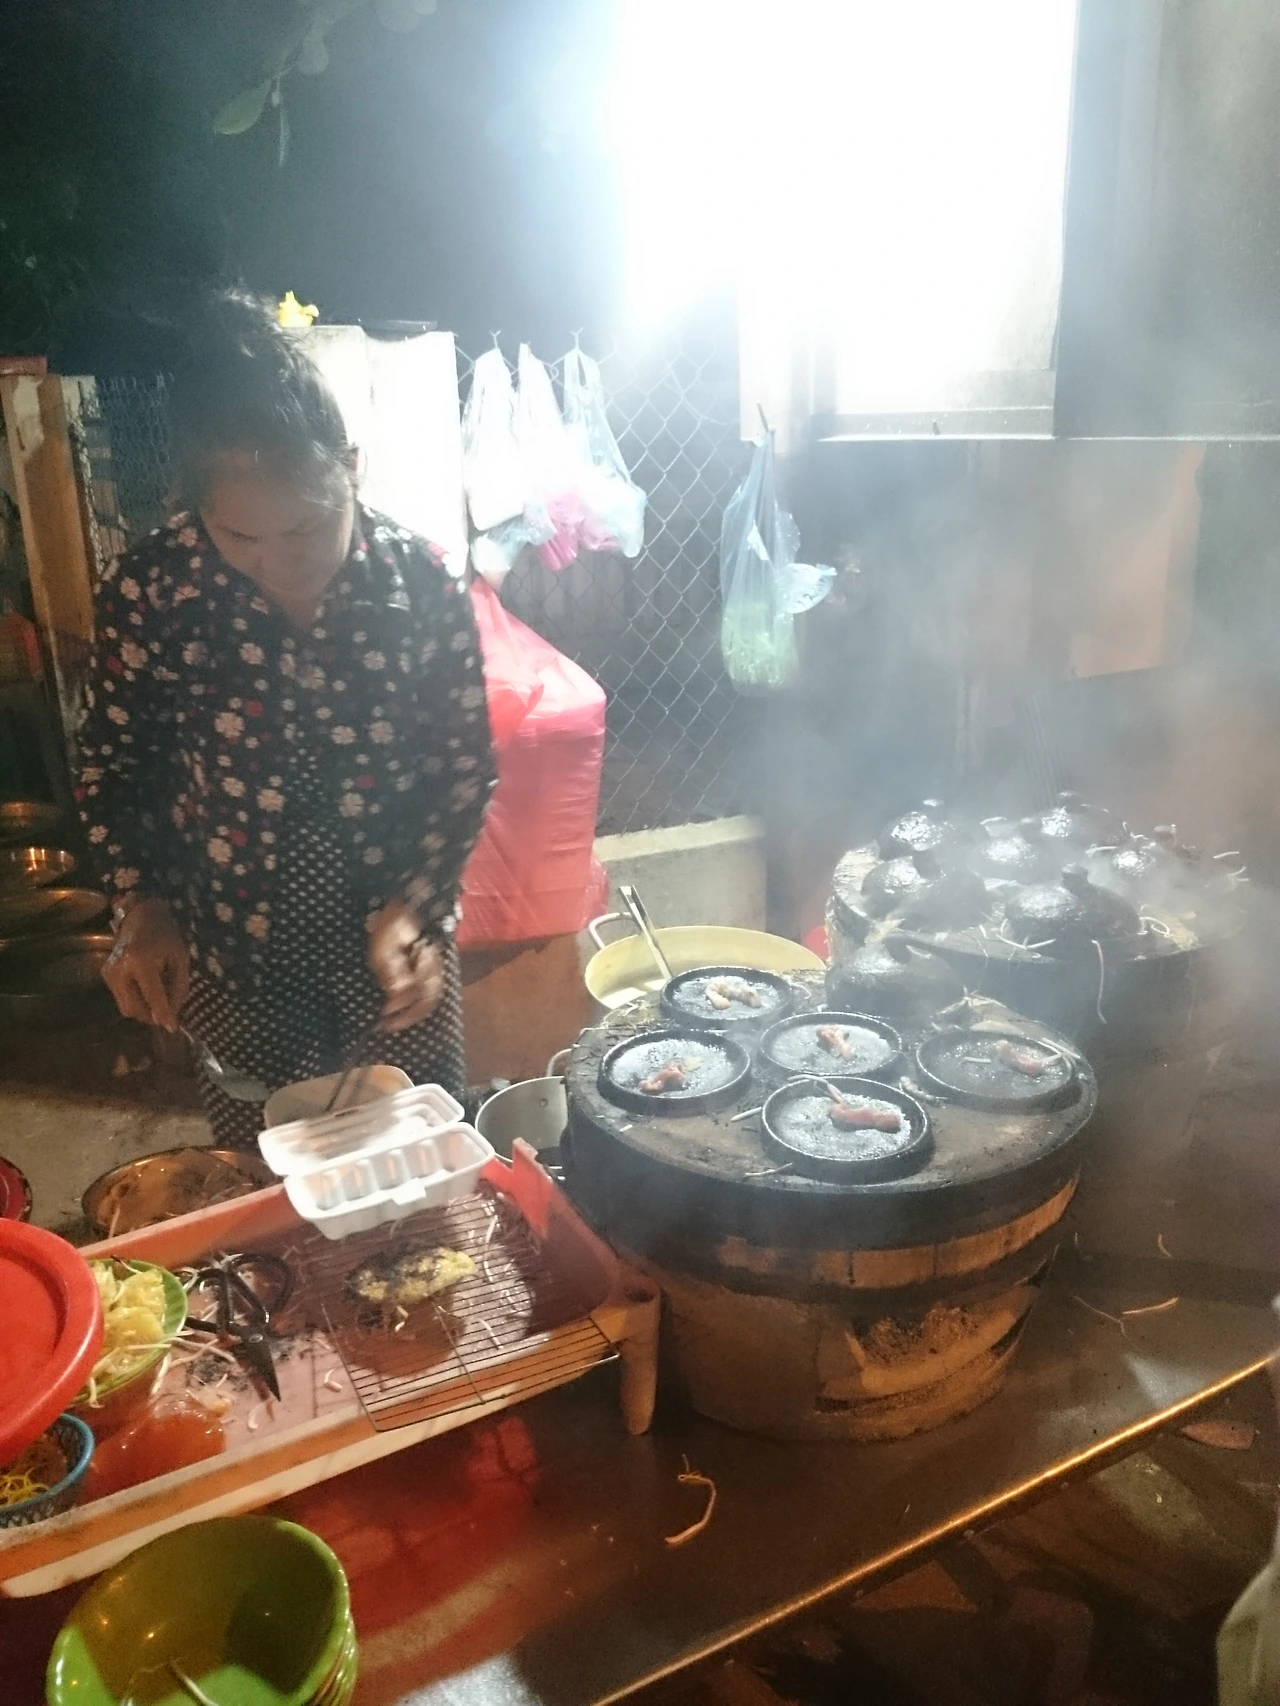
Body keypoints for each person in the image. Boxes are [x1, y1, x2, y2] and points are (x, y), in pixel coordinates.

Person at [76, 290, 495, 1143]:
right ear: (198, 511)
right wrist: (141, 905)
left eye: (305, 528)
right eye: (239, 537)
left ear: (352, 467)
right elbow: (114, 768)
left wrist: (415, 905)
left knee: (415, 1167)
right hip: (229, 958)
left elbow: (461, 769)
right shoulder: (156, 592)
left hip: (394, 963)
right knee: (263, 1171)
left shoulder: (421, 586)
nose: (275, 564)